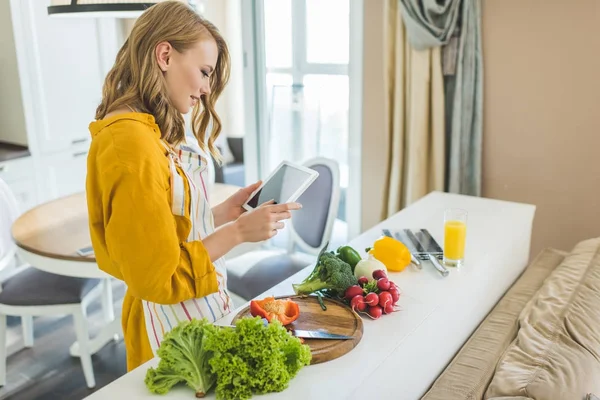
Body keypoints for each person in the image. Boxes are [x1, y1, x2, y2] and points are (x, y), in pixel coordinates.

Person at [86, 1, 300, 371]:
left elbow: (162, 226)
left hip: (189, 315)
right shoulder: (130, 143)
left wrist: (218, 214)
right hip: (171, 332)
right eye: (203, 71)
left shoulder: (145, 129)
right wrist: (237, 232)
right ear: (165, 55)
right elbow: (159, 276)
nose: (204, 89)